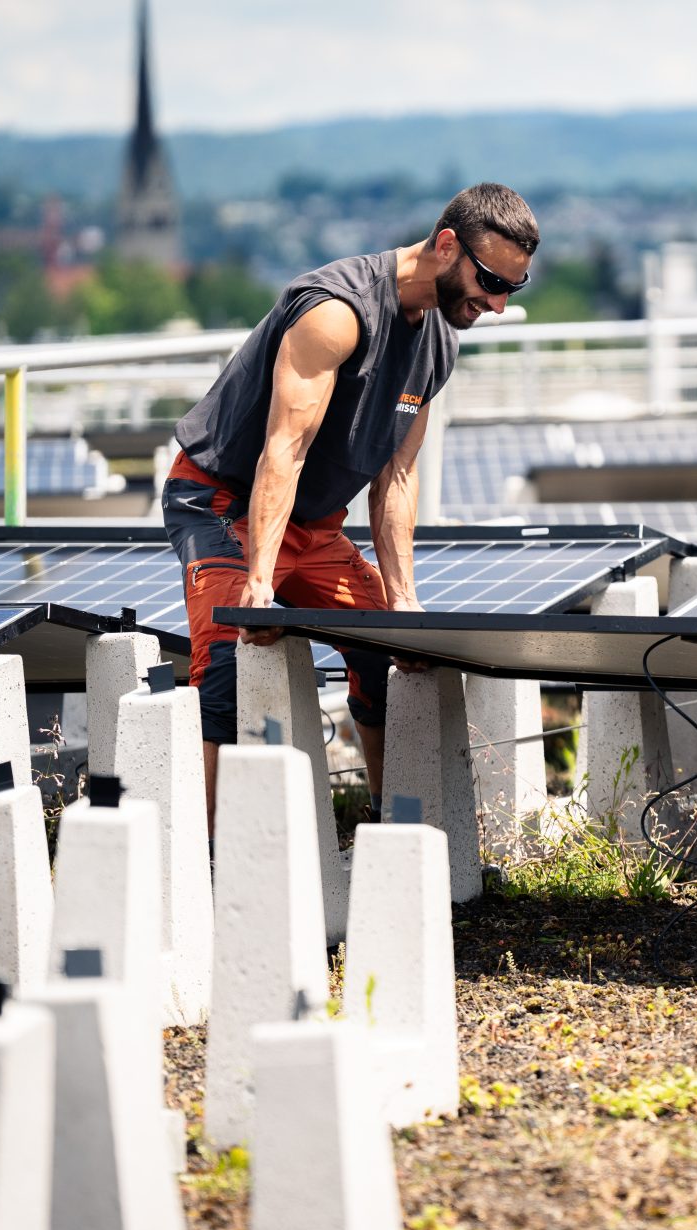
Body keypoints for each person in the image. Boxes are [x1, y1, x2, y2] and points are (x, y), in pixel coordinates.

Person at [161, 182, 538, 827]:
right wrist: (257, 582)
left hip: (313, 526)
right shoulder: (336, 313)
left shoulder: (440, 343)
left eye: (513, 288)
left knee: (386, 648)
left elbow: (397, 475)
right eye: (489, 281)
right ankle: (208, 866)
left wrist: (404, 599)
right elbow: (284, 450)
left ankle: (396, 830)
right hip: (223, 505)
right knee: (225, 661)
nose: (499, 304)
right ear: (446, 246)